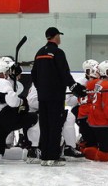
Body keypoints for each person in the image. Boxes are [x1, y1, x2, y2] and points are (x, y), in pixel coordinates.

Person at [31, 27, 87, 167]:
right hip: (56, 96)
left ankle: (44, 156)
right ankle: (53, 156)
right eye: (59, 36)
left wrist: (41, 89)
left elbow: (34, 74)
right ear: (55, 36)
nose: (60, 38)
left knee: (45, 125)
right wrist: (74, 87)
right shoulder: (58, 52)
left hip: (42, 96)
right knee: (55, 125)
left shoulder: (39, 53)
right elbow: (64, 73)